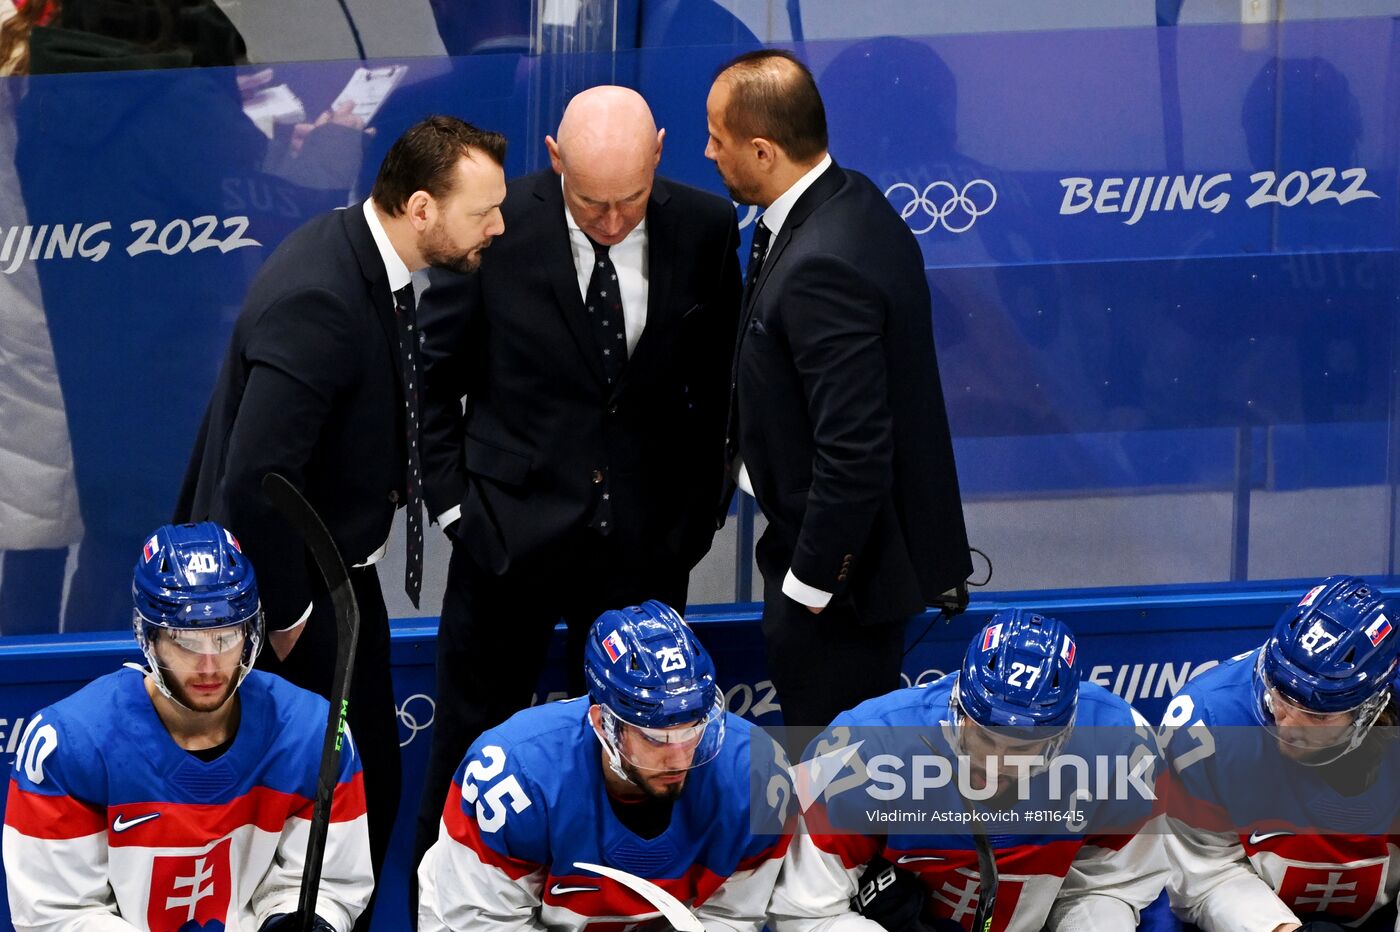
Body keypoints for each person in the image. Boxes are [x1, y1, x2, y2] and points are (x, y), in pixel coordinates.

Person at [175, 115, 507, 926]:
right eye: (483, 211)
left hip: (341, 584)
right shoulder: (323, 295)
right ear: (422, 207)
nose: (498, 226)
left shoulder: (365, 258)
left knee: (366, 803)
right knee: (331, 821)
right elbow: (257, 481)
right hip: (296, 602)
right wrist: (289, 619)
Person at [412, 86, 740, 869]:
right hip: (505, 540)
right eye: (592, 202)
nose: (613, 221)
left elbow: (724, 383)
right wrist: (456, 511)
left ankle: (623, 905)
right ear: (555, 161)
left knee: (640, 768)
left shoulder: (703, 226)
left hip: (644, 550)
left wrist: (698, 515)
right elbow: (428, 378)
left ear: (661, 152)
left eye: (629, 200)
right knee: (469, 748)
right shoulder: (494, 222)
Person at [703, 49, 971, 736]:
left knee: (836, 785)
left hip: (841, 589)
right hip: (831, 558)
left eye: (718, 138)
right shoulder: (849, 199)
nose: (709, 153)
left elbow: (853, 449)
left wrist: (810, 587)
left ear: (763, 150)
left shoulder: (823, 260)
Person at [2, 522, 372, 930]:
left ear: (251, 633)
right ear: (149, 637)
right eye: (186, 640)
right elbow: (55, 914)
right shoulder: (68, 744)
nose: (210, 665)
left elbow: (331, 883)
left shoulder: (311, 731)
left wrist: (304, 918)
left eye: (226, 637)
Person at [770, 610, 1167, 931]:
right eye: (985, 740)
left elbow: (1112, 886)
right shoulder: (856, 745)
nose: (997, 764)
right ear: (960, 708)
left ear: (1060, 737)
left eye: (1023, 749)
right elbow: (803, 911)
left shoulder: (1123, 745)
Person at [417, 601, 789, 931]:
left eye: (693, 730)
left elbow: (735, 916)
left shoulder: (759, 771)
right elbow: (482, 922)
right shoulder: (513, 772)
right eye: (655, 738)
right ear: (603, 724)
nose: (680, 757)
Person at [1162, 575, 1400, 931]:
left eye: (1315, 716)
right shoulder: (1206, 722)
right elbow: (1205, 874)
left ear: (1368, 709)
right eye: (1280, 696)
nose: (1286, 726)